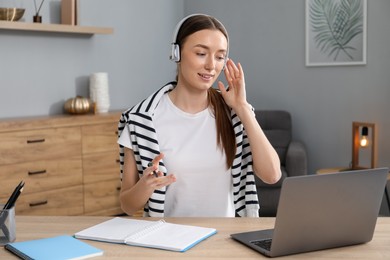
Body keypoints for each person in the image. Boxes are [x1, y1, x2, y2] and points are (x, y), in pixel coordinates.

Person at [117, 14, 281, 218]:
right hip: (169, 241)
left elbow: (272, 175)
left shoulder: (235, 114)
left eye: (220, 57)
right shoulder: (140, 121)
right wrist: (146, 186)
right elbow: (127, 205)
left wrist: (242, 107)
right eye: (201, 53)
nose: (211, 66)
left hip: (225, 242)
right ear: (176, 53)